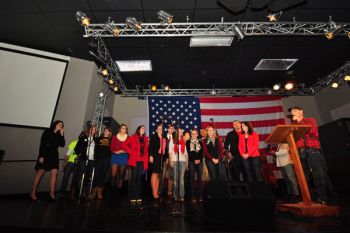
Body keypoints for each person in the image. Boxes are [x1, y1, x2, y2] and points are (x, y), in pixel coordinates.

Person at [289, 106, 335, 204]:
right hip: (300, 152)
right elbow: (292, 140)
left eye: (294, 111)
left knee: (318, 174)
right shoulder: (292, 125)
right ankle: (309, 198)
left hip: (312, 149)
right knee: (303, 176)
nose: (292, 113)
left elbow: (312, 132)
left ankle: (323, 197)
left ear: (301, 111)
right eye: (292, 112)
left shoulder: (310, 120)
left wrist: (298, 124)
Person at [30, 120, 65, 201]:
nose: (61, 126)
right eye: (60, 124)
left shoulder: (59, 134)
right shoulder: (47, 132)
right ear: (55, 124)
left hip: (54, 155)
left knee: (54, 173)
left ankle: (52, 194)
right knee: (40, 173)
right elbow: (42, 144)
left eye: (62, 125)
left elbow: (62, 144)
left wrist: (62, 134)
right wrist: (41, 156)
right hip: (45, 154)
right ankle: (32, 193)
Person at [123, 125, 149, 204]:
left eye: (144, 129)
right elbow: (124, 145)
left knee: (139, 178)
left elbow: (146, 151)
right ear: (138, 130)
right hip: (134, 160)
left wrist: (146, 161)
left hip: (142, 161)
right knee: (133, 178)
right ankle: (132, 196)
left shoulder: (146, 138)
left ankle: (138, 195)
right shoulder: (133, 137)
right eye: (142, 128)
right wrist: (131, 152)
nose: (143, 130)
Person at [70, 125, 97, 200]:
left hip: (91, 160)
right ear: (89, 129)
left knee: (88, 177)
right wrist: (86, 142)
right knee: (78, 176)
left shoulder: (95, 139)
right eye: (93, 129)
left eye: (95, 129)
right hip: (83, 159)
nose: (94, 130)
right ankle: (72, 194)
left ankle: (84, 193)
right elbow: (77, 149)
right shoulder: (84, 137)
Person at [58, 133, 83, 198]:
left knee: (75, 180)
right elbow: (68, 153)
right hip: (70, 162)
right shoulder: (74, 142)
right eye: (81, 136)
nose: (82, 137)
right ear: (79, 136)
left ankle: (72, 194)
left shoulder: (85, 145)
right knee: (65, 178)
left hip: (78, 164)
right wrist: (64, 163)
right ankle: (61, 193)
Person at [90, 127, 112, 200]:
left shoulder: (111, 140)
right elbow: (91, 138)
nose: (106, 131)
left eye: (107, 131)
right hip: (99, 159)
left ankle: (100, 192)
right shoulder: (98, 138)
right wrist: (93, 131)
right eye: (105, 130)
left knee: (103, 175)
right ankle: (94, 192)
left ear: (109, 133)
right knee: (96, 174)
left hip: (107, 159)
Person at [169, 128, 188, 202]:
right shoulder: (173, 140)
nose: (180, 132)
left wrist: (187, 162)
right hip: (175, 160)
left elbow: (185, 152)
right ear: (176, 132)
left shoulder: (183, 140)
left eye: (181, 132)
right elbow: (170, 152)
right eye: (179, 131)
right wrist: (171, 161)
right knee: (175, 179)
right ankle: (175, 195)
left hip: (183, 161)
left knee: (181, 179)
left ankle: (182, 195)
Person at [148, 123, 167, 201]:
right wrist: (151, 155)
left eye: (161, 128)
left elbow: (165, 149)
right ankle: (154, 192)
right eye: (159, 128)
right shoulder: (154, 137)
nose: (160, 129)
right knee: (154, 173)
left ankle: (156, 191)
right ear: (156, 129)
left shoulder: (164, 138)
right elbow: (151, 147)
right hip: (155, 157)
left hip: (161, 158)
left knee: (159, 174)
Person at [110, 124, 129, 192]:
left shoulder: (128, 138)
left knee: (121, 175)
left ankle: (119, 190)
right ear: (120, 129)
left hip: (124, 156)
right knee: (113, 175)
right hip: (115, 156)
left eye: (125, 128)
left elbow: (129, 148)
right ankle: (112, 190)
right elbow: (111, 147)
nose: (124, 129)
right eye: (123, 128)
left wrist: (123, 151)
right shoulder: (115, 137)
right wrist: (115, 152)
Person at [186, 129, 203, 203]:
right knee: (192, 178)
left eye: (195, 133)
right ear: (191, 134)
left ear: (197, 134)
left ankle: (200, 195)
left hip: (200, 161)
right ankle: (193, 195)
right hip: (191, 161)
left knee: (199, 178)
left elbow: (202, 152)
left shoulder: (201, 142)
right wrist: (194, 160)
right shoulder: (188, 142)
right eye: (192, 134)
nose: (193, 135)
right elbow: (188, 153)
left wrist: (199, 159)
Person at [163, 124, 175, 199]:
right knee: (162, 175)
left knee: (171, 176)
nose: (171, 130)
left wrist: (171, 159)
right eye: (170, 128)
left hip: (172, 159)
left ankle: (169, 191)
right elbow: (163, 149)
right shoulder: (163, 137)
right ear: (167, 129)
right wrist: (166, 158)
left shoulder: (175, 138)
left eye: (172, 129)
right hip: (164, 159)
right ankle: (160, 190)